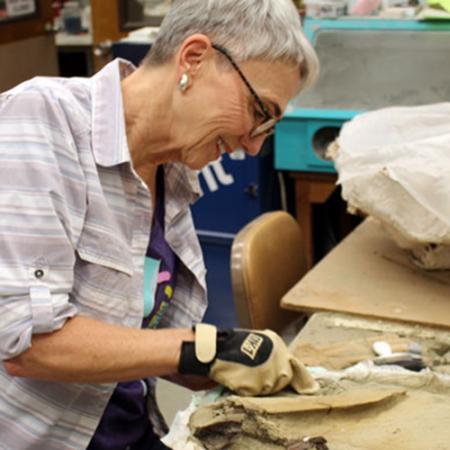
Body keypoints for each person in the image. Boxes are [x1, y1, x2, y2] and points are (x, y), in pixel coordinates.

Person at [0, 0, 319, 448]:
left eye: (266, 128)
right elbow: (28, 343)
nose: (251, 145)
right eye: (259, 111)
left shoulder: (171, 172)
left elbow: (141, 339)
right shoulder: (40, 120)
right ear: (194, 58)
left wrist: (226, 361)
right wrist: (205, 349)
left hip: (131, 429)